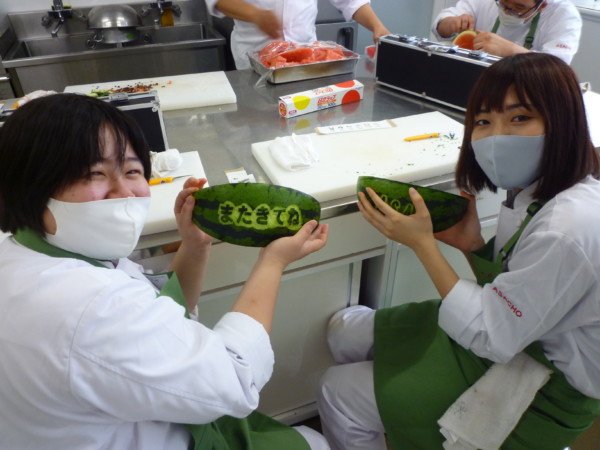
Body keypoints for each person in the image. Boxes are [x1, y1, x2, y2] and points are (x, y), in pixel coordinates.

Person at [0, 93, 330, 449]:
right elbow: (235, 377)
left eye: (132, 171)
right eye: (94, 173)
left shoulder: (30, 250)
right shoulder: (92, 306)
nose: (124, 192)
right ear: (31, 183)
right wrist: (273, 262)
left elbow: (162, 313)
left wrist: (195, 245)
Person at [317, 52, 600, 449]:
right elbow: (518, 291)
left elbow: (491, 336)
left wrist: (422, 244)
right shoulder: (533, 191)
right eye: (483, 122)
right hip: (516, 334)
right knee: (346, 328)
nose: (497, 137)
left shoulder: (568, 227)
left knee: (336, 388)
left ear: (564, 122)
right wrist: (472, 246)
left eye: (520, 117)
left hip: (541, 381)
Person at [204, 0, 390, 69]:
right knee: (261, 121)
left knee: (306, 120)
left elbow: (350, 1)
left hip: (308, 58)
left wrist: (377, 26)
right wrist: (255, 14)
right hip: (255, 58)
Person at [432, 0, 581, 64]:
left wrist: (511, 50)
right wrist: (451, 23)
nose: (507, 12)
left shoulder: (564, 15)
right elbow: (441, 26)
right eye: (503, 3)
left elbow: (557, 66)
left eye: (519, 7)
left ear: (542, 6)